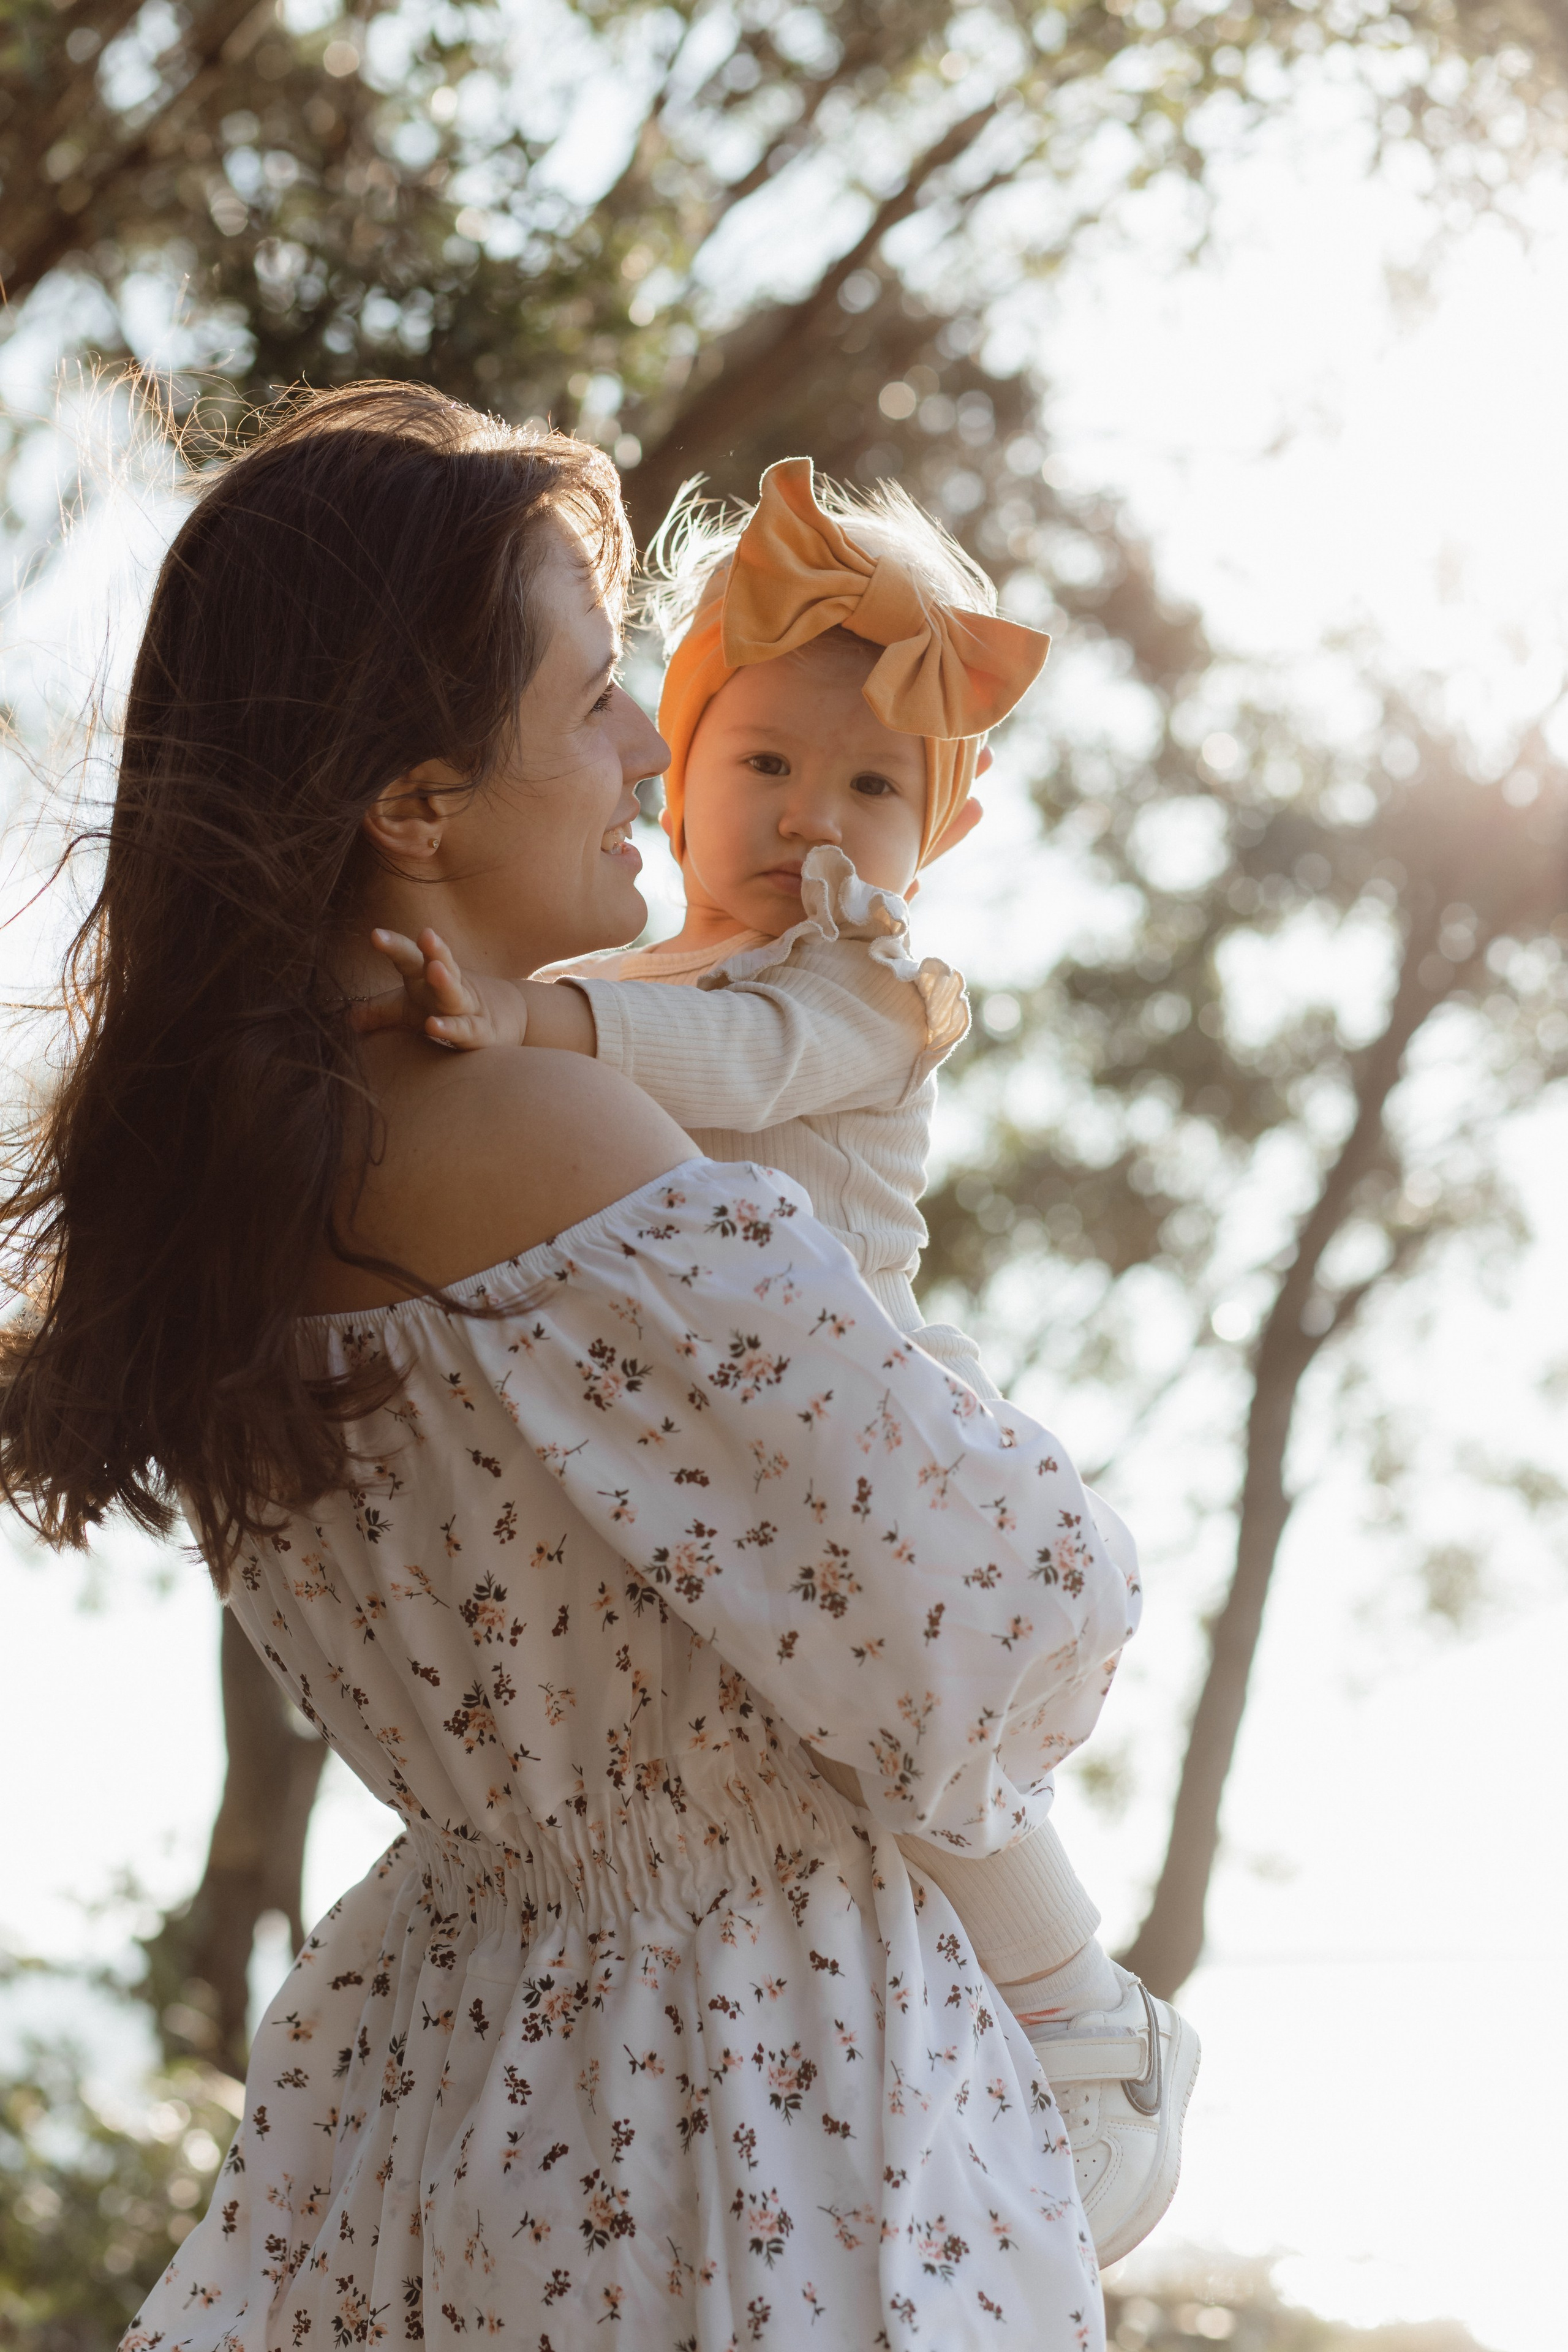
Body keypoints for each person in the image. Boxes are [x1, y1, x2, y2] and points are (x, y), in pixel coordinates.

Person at [0, 383, 1140, 2352]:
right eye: (602, 695)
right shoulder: (552, 1144)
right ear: (415, 805)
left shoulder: (247, 1181)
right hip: (748, 2115)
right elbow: (1014, 1600)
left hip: (463, 2063)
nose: (648, 747)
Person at [358, 457, 1199, 2261]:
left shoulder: (858, 982)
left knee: (923, 1744)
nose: (814, 817)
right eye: (765, 764)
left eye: (874, 785)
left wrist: (529, 1020)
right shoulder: (650, 967)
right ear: (684, 751)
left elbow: (730, 1074)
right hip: (711, 1428)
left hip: (868, 1379)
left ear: (938, 838)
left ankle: (1081, 2017)